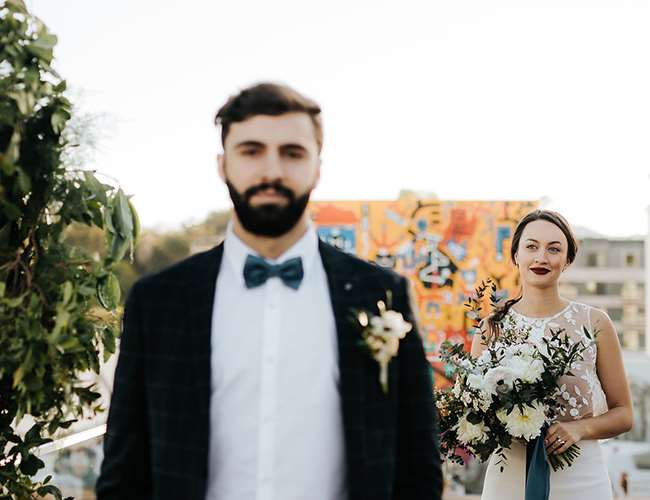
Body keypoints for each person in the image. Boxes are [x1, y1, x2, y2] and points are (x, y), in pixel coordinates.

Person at [96, 82, 443, 500]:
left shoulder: (381, 293)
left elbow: (418, 467)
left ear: (318, 167)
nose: (272, 171)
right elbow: (125, 472)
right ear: (223, 165)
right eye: (252, 150)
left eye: (292, 153)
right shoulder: (159, 301)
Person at [472, 209, 634, 500]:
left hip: (582, 477)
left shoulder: (595, 323)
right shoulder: (490, 328)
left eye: (554, 249)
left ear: (568, 259)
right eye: (531, 247)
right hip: (509, 475)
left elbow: (624, 414)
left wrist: (580, 428)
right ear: (515, 255)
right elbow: (475, 409)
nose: (541, 257)